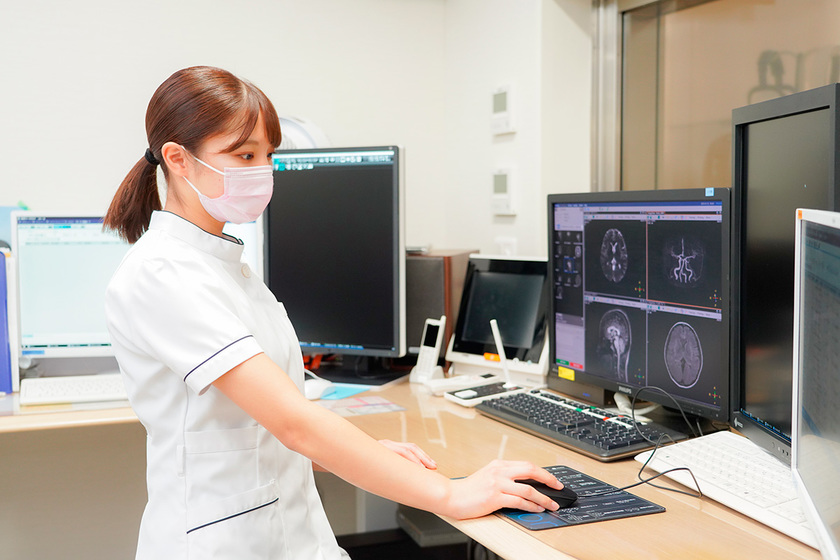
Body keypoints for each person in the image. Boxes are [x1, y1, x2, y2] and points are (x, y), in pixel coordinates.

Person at [104, 65, 563, 559]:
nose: (263, 170)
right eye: (245, 155)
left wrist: (368, 454)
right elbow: (293, 424)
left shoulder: (226, 265)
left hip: (286, 532)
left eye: (269, 155)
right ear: (178, 159)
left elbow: (264, 427)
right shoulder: (162, 273)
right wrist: (450, 495)